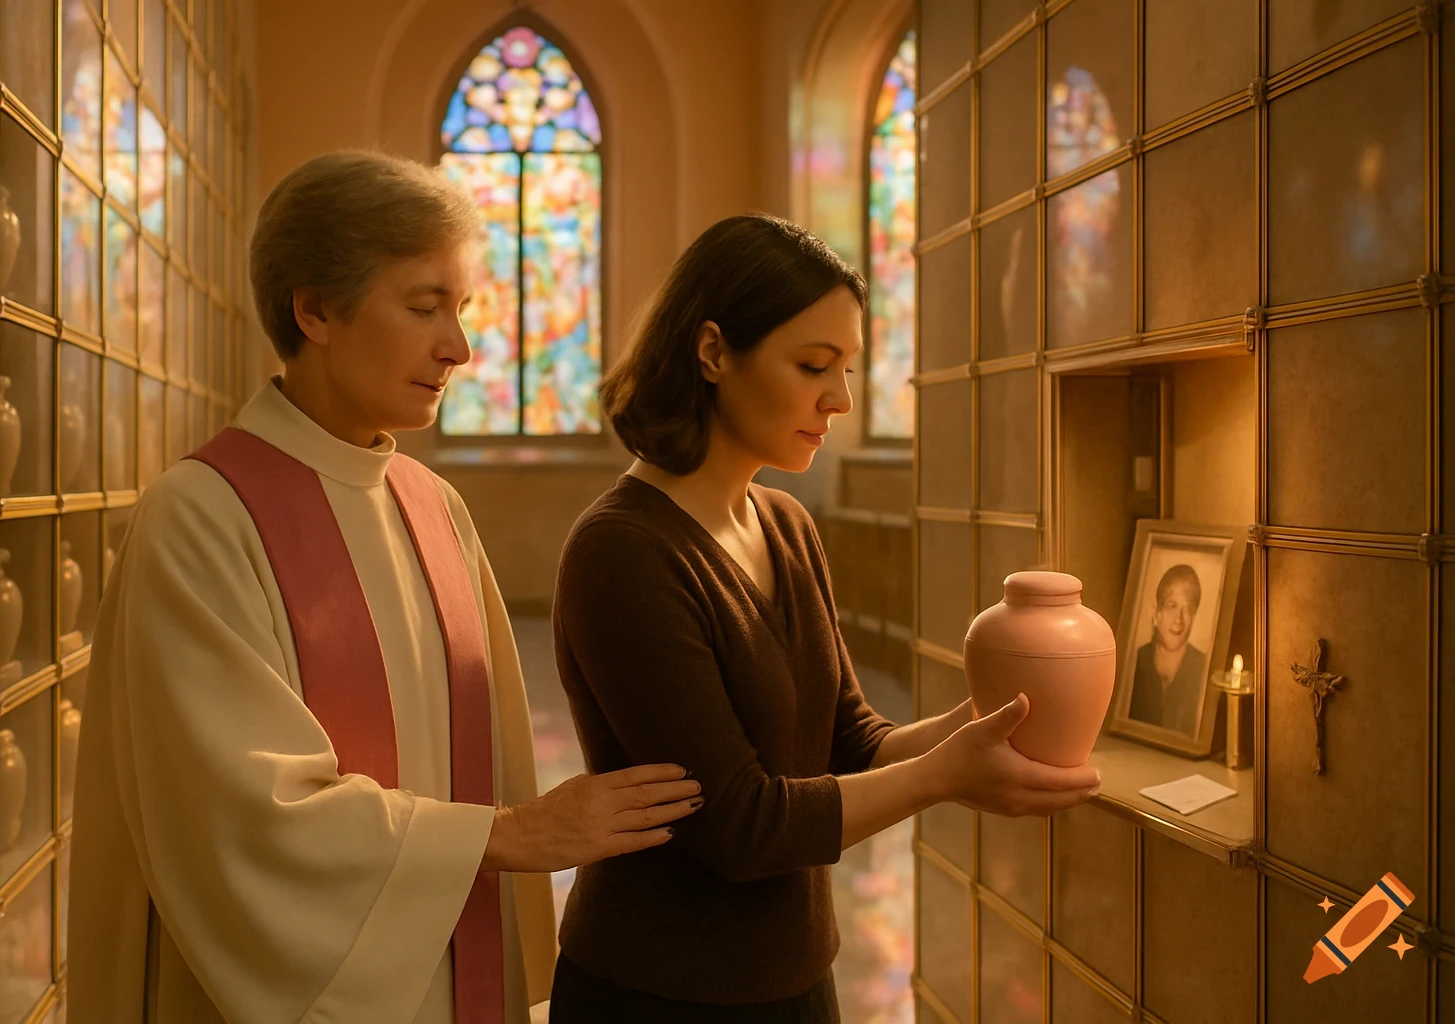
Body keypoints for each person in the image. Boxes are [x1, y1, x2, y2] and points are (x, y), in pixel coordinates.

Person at [67, 150, 702, 1024]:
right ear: (315, 309)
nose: (461, 348)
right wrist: (514, 835)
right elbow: (243, 818)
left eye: (462, 310)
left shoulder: (433, 506)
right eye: (423, 306)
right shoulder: (201, 517)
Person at [548, 213, 1102, 1023]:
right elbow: (741, 825)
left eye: (847, 368)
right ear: (711, 353)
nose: (839, 400)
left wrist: (997, 715)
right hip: (658, 989)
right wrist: (947, 774)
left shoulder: (786, 524)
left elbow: (851, 741)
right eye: (814, 366)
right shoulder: (622, 553)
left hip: (797, 974)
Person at [1127, 563, 1208, 736]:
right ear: (1157, 613)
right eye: (1172, 606)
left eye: (1187, 610)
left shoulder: (1203, 668)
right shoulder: (1135, 662)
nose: (1179, 619)